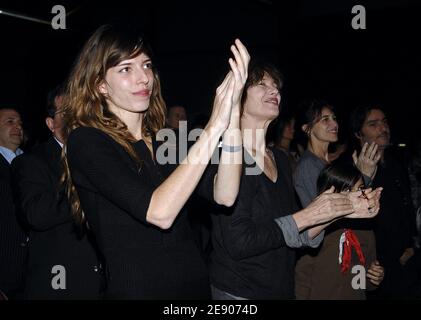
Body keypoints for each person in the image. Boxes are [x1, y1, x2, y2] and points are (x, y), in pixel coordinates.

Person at [63, 24, 249, 299]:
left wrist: (232, 115)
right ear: (100, 85)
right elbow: (159, 212)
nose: (144, 78)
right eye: (126, 69)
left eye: (146, 65)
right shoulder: (87, 142)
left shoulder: (166, 141)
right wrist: (213, 126)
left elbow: (225, 194)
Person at [208, 61, 381, 300]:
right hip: (240, 293)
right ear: (237, 99)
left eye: (275, 85)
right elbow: (239, 242)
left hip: (280, 288)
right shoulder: (228, 157)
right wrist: (312, 214)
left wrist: (342, 208)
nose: (274, 90)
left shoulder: (279, 158)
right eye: (261, 84)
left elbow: (294, 233)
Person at [11, 85, 104, 299]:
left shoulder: (99, 157)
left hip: (104, 283)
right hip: (61, 285)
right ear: (51, 124)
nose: (75, 117)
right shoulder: (30, 162)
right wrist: (85, 189)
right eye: (67, 112)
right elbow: (36, 213)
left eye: (79, 110)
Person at [351, 104, 418, 299]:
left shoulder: (395, 164)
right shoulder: (351, 169)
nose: (383, 128)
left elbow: (407, 207)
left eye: (385, 122)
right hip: (377, 267)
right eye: (373, 124)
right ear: (358, 134)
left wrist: (411, 245)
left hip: (407, 258)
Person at [295, 162, 384, 299]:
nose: (356, 195)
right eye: (348, 190)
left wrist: (374, 277)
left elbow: (360, 282)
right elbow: (302, 278)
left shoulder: (365, 231)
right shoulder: (317, 231)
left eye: (360, 189)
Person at [0, 107, 28, 299]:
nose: (17, 126)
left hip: (34, 273)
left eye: (19, 122)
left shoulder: (33, 162)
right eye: (10, 121)